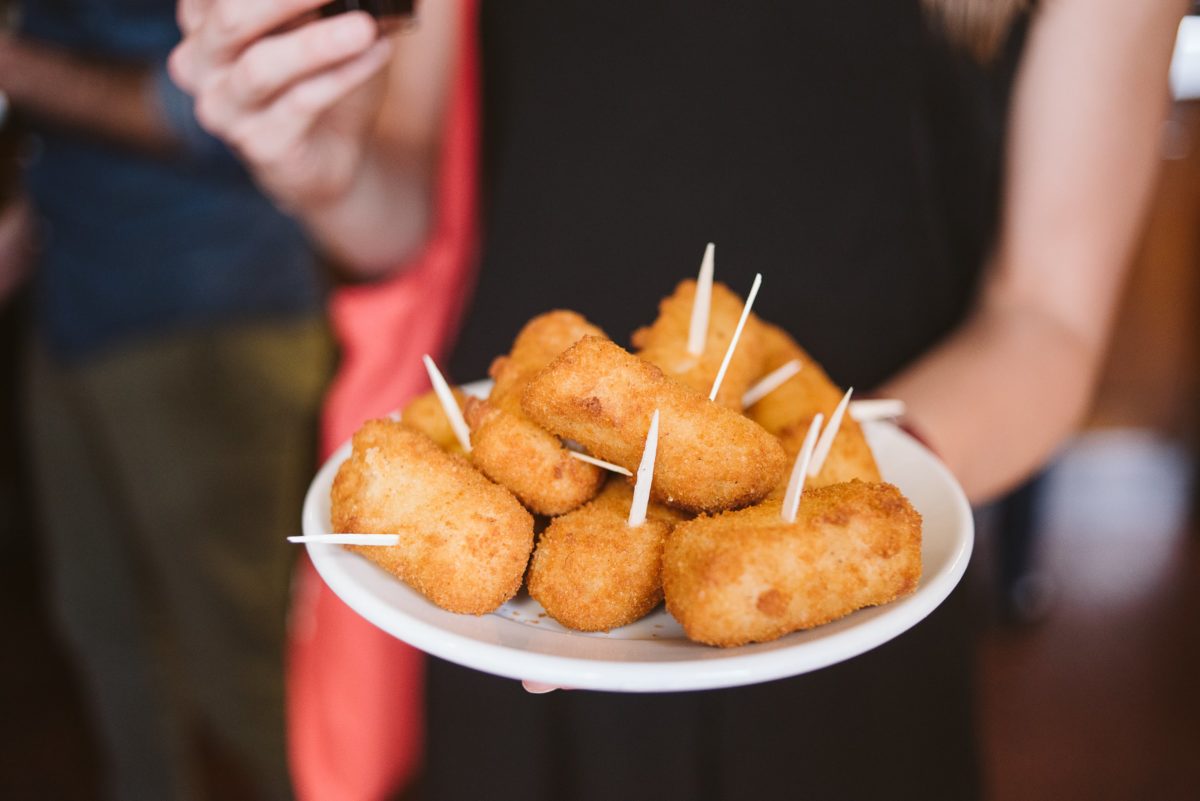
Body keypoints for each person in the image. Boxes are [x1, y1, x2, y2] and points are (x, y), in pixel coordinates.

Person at [171, 0, 1187, 799]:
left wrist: (859, 477)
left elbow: (1049, 321)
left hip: (847, 636)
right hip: (525, 584)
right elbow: (398, 217)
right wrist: (314, 165)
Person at [0, 2, 356, 798]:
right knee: (100, 623)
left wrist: (13, 68)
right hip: (75, 298)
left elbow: (222, 113)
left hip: (205, 317)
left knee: (243, 660)